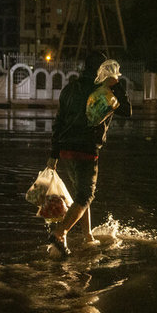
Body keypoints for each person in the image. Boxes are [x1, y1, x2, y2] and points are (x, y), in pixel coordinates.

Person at [45, 51, 132, 257]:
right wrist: (116, 82)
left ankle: (87, 236)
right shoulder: (103, 90)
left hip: (66, 150)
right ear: (102, 69)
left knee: (80, 195)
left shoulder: (69, 89)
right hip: (86, 150)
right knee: (86, 195)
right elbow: (127, 110)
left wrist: (53, 155)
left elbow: (58, 123)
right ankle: (60, 233)